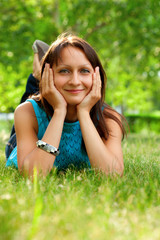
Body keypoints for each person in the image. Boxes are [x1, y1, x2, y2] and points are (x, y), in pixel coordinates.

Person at [5, 33, 126, 177]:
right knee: (32, 97)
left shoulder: (108, 118)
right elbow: (33, 175)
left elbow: (112, 175)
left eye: (84, 71)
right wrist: (59, 111)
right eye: (64, 71)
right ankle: (38, 76)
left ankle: (43, 72)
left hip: (60, 106)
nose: (75, 81)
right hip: (25, 139)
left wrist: (84, 113)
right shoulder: (26, 113)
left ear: (96, 76)